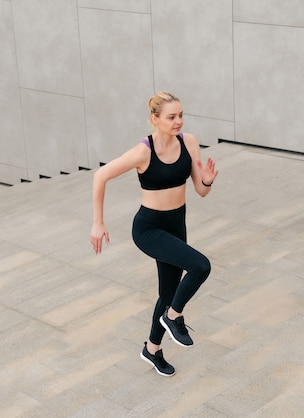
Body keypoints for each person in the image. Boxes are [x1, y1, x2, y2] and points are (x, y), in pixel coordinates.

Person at [90, 91, 218, 377]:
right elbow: (100, 176)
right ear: (155, 119)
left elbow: (200, 190)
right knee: (200, 266)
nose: (178, 121)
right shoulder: (143, 152)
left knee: (168, 291)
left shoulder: (190, 142)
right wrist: (98, 223)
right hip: (149, 228)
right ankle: (174, 317)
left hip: (177, 223)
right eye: (171, 117)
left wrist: (207, 181)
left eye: (181, 115)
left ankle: (152, 349)